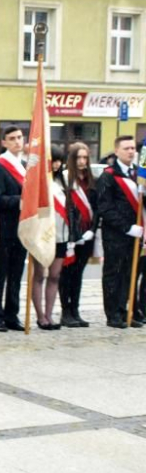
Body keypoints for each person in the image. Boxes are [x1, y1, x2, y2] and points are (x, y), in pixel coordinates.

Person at [96, 135, 145, 328]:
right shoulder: (108, 175)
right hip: (116, 235)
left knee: (128, 274)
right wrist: (127, 227)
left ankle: (126, 310)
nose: (131, 152)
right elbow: (104, 207)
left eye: (133, 148)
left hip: (136, 235)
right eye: (126, 148)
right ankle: (113, 314)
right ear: (116, 151)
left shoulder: (138, 175)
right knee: (113, 274)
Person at [0, 126, 28, 332]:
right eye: (12, 138)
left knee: (16, 275)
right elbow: (0, 198)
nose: (16, 141)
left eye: (20, 137)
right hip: (4, 229)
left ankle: (12, 314)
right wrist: (21, 201)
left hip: (22, 229)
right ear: (4, 142)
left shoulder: (25, 166)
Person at [59, 142, 97, 327]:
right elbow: (67, 209)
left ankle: (75, 310)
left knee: (78, 275)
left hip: (88, 234)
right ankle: (65, 312)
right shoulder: (65, 179)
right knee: (66, 274)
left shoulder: (91, 180)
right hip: (70, 236)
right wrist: (74, 235)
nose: (82, 161)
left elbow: (97, 208)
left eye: (85, 158)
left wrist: (92, 230)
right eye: (79, 158)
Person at [31, 148, 70, 330]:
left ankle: (49, 314)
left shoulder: (63, 181)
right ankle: (40, 316)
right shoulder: (39, 182)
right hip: (42, 234)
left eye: (59, 161)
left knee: (55, 276)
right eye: (53, 160)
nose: (56, 164)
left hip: (61, 234)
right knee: (39, 275)